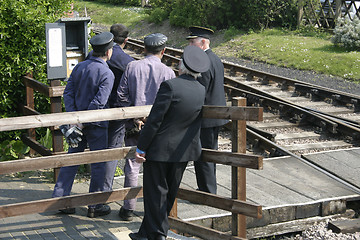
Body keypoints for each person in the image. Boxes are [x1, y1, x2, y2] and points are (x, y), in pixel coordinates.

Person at [129, 45, 210, 240]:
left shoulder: (170, 86)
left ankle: (158, 235)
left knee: (155, 194)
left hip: (160, 150)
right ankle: (145, 233)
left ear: (181, 66)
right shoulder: (201, 90)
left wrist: (141, 147)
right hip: (184, 151)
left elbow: (155, 120)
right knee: (169, 193)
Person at [52, 32, 115, 218]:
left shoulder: (79, 67)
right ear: (109, 52)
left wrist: (75, 118)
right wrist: (83, 121)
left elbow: (68, 93)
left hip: (77, 123)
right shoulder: (107, 73)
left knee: (72, 160)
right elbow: (99, 102)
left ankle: (61, 199)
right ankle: (94, 205)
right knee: (98, 164)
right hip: (97, 125)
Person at [116, 33, 176, 221]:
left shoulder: (132, 67)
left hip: (135, 125)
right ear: (164, 51)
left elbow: (121, 96)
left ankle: (128, 208)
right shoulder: (169, 72)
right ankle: (153, 209)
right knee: (156, 168)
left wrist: (136, 116)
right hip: (158, 128)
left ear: (144, 49)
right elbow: (171, 102)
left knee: (132, 165)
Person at [187, 26, 228, 195]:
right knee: (210, 153)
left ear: (203, 42)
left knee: (203, 154)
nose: (190, 46)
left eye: (192, 42)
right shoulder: (215, 58)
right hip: (215, 115)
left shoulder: (203, 61)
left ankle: (207, 190)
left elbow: (200, 91)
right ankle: (209, 187)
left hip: (206, 117)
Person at [104, 24, 135, 193]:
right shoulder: (128, 62)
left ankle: (97, 192)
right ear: (126, 40)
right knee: (112, 151)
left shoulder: (94, 54)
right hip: (117, 111)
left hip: (95, 110)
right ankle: (105, 191)